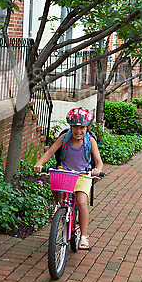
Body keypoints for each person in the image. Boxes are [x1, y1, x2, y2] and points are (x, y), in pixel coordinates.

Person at [34, 107, 103, 250]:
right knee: (55, 184)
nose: (78, 131)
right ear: (70, 127)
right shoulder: (65, 138)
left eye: (82, 128)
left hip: (83, 174)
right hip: (65, 172)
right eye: (75, 127)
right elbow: (51, 151)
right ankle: (59, 206)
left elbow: (98, 161)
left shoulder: (90, 141)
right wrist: (40, 163)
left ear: (88, 127)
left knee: (81, 202)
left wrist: (97, 170)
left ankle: (83, 236)